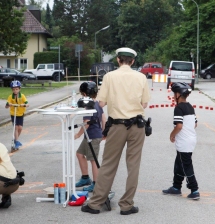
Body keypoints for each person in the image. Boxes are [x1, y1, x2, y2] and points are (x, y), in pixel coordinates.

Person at [81, 47, 151, 215]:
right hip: (137, 126)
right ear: (133, 61)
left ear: (118, 60)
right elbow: (144, 104)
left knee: (108, 164)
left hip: (117, 126)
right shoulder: (141, 77)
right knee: (133, 166)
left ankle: (96, 203)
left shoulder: (109, 77)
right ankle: (127, 205)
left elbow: (101, 103)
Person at [162, 82, 200, 200]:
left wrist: (172, 135)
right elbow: (195, 124)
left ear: (178, 94)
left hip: (184, 142)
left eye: (174, 94)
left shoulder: (178, 108)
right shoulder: (190, 107)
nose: (174, 96)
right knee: (179, 164)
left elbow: (179, 126)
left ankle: (195, 190)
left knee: (186, 165)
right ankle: (176, 187)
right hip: (189, 140)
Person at [74, 81, 106, 192]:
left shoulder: (89, 106)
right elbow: (103, 118)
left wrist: (78, 134)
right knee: (79, 154)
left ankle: (96, 183)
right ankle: (85, 177)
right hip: (91, 136)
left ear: (84, 94)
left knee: (93, 160)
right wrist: (103, 131)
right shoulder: (97, 103)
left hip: (92, 136)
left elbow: (86, 123)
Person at [5, 80, 29, 150]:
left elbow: (27, 104)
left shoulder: (22, 96)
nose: (15, 91)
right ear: (12, 90)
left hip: (20, 113)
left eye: (16, 89)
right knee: (15, 127)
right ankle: (16, 141)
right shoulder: (10, 97)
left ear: (19, 89)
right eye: (13, 89)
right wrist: (8, 104)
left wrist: (24, 105)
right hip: (13, 113)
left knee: (20, 128)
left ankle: (16, 140)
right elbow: (6, 106)